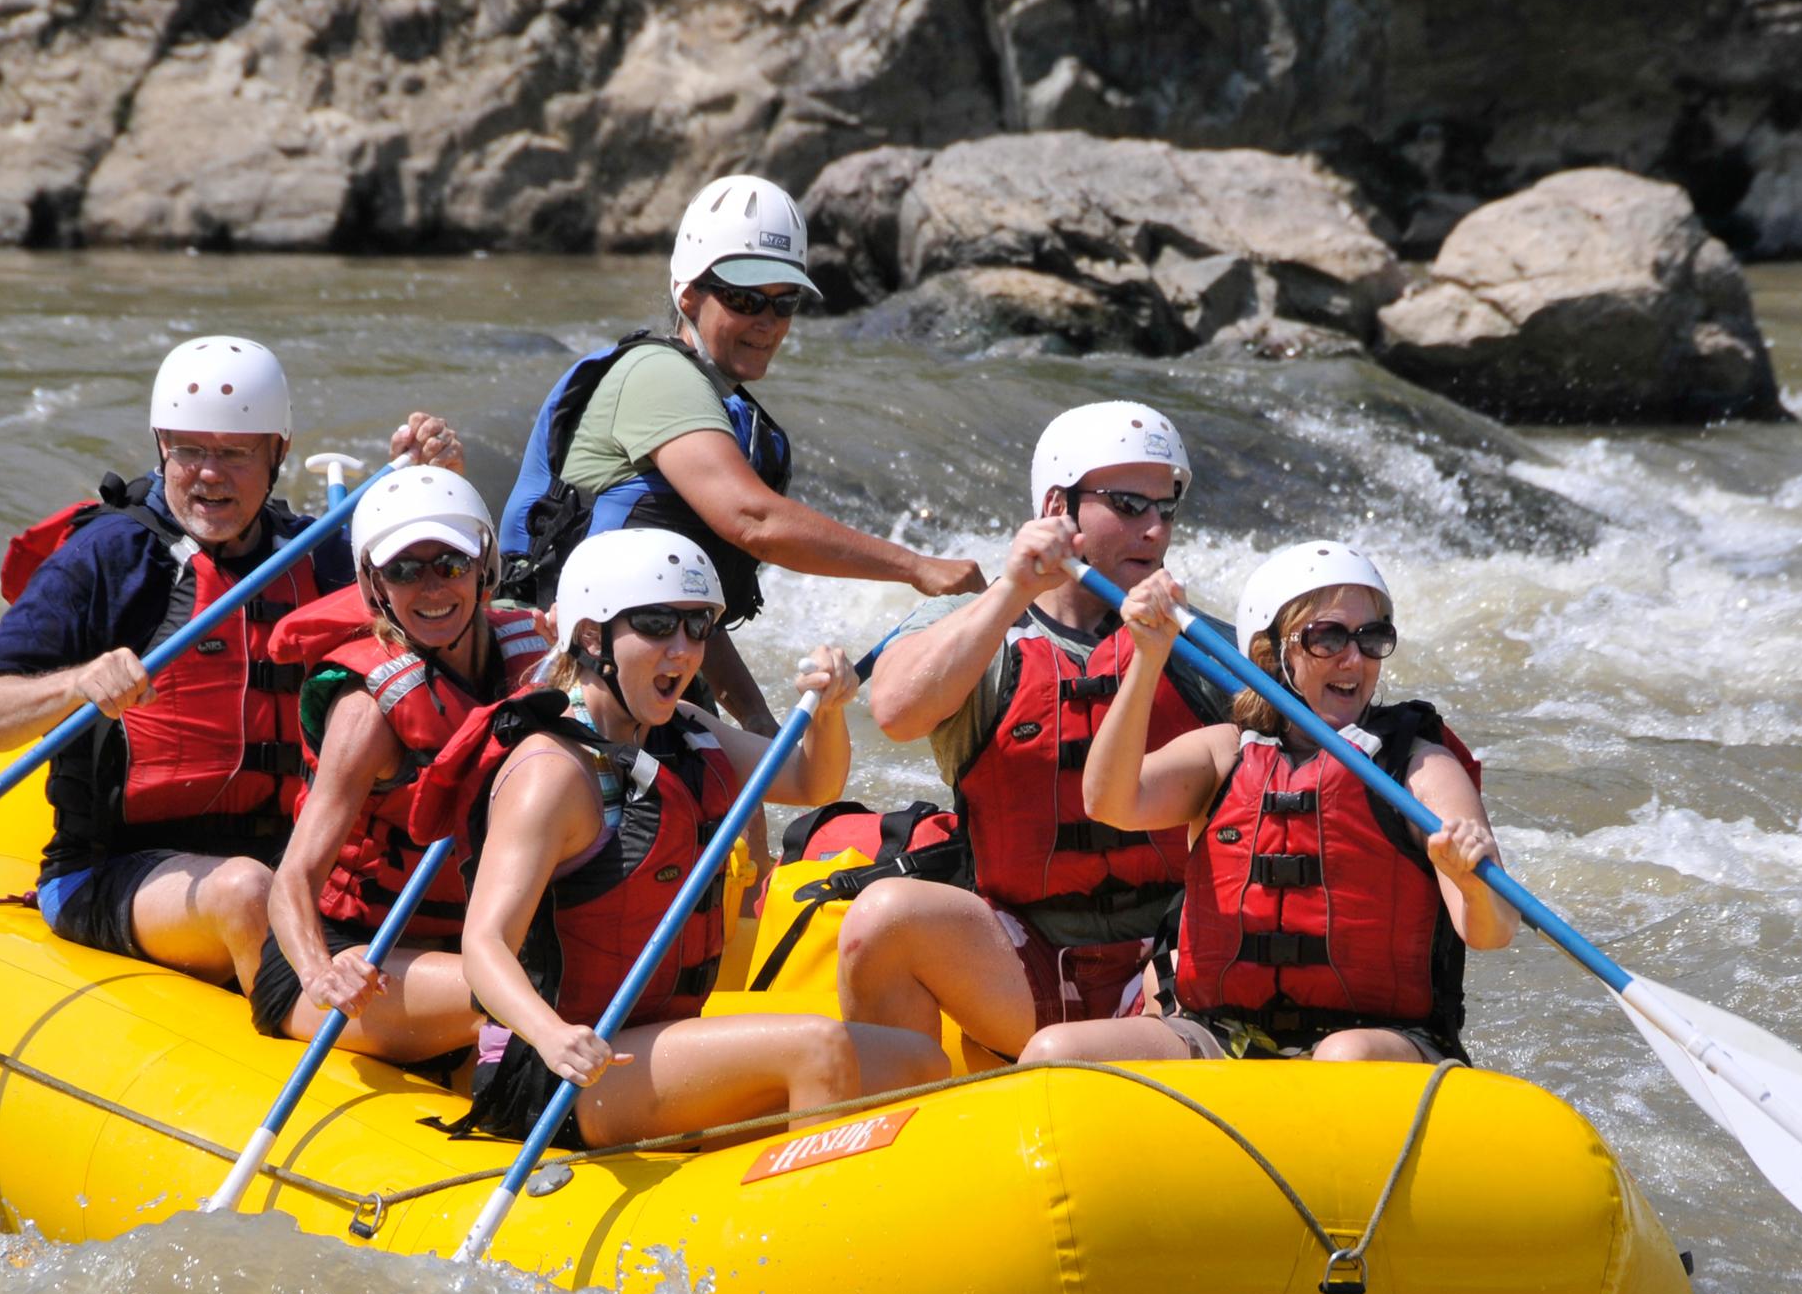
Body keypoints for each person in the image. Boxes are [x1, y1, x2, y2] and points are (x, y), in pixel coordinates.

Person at [409, 529, 950, 1149]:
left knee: (913, 1061)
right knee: (819, 1048)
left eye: (698, 627)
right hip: (557, 1072)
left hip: (656, 1040)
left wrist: (826, 713)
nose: (683, 650)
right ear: (592, 637)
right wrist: (553, 1034)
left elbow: (809, 780)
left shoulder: (681, 730)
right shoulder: (552, 772)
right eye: (658, 625)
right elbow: (484, 945)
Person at [0, 332, 456, 988]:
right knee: (246, 890)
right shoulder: (110, 555)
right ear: (163, 447)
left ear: (278, 453)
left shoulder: (313, 553)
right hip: (113, 868)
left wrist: (429, 490)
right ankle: (290, 1029)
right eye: (189, 450)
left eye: (234, 453)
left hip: (289, 862)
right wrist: (79, 682)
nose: (209, 473)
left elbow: (442, 622)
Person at [497, 173, 983, 735]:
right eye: (745, 298)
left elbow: (670, 605)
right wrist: (917, 567)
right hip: (564, 678)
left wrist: (753, 715)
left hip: (638, 673)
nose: (767, 322)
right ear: (688, 293)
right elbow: (752, 519)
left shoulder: (716, 405)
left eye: (785, 302)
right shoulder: (657, 377)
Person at [838, 401, 1235, 1061]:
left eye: (1167, 510)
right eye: (1130, 505)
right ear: (1058, 505)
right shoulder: (984, 631)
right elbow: (896, 710)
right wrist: (1013, 588)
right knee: (883, 918)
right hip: (1021, 954)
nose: (1156, 531)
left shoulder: (1201, 644)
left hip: (1171, 956)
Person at [1021, 540, 1513, 1067]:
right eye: (1328, 637)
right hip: (1223, 1036)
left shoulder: (1420, 768)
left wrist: (1469, 881)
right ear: (1269, 655)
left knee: (1343, 1058)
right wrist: (1148, 657)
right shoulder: (1224, 753)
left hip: (1380, 1040)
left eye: (1372, 637)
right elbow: (1107, 801)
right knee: (1055, 1050)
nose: (1354, 658)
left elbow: (1492, 930)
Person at [248, 465, 550, 1065]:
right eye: (405, 571)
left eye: (451, 564)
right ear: (374, 583)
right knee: (525, 990)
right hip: (360, 960)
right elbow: (293, 880)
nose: (432, 588)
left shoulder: (538, 655)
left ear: (484, 564)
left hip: (467, 941)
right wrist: (319, 973)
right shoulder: (368, 714)